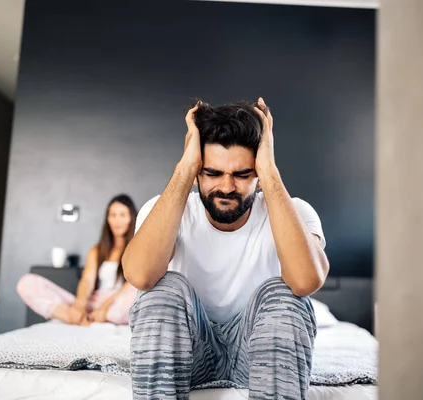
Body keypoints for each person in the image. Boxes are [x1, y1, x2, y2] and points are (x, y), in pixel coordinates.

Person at [122, 98, 330, 399]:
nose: (227, 187)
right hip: (187, 352)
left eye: (242, 174)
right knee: (163, 289)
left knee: (285, 294)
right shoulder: (163, 208)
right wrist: (184, 169)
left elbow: (306, 282)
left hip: (260, 353)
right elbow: (140, 276)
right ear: (197, 172)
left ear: (257, 174)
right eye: (213, 173)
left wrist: (270, 173)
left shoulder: (295, 212)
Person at [17, 194, 139, 326]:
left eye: (122, 215)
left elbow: (131, 286)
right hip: (93, 304)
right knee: (26, 282)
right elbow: (87, 281)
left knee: (137, 293)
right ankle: (72, 317)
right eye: (113, 215)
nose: (117, 220)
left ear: (131, 218)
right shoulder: (96, 250)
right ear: (107, 219)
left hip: (118, 303)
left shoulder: (138, 249)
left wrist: (105, 308)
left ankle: (102, 317)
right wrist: (79, 306)